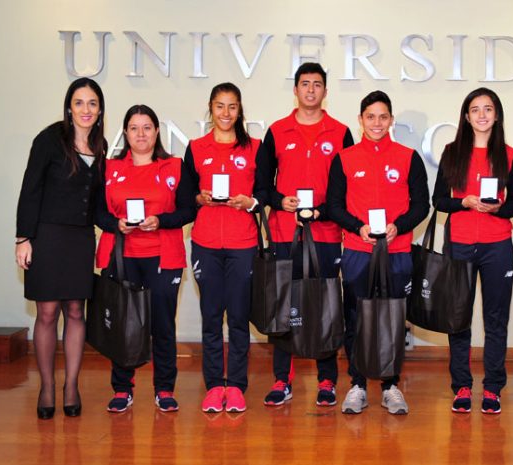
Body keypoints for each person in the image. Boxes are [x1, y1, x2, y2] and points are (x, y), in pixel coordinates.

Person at [254, 62, 354, 407]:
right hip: (285, 233)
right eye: (304, 84)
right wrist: (281, 201)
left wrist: (322, 211)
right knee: (284, 307)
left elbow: (347, 192)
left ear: (326, 92)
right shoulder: (277, 131)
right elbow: (261, 187)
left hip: (326, 235)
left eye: (317, 85)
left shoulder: (340, 133)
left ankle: (327, 380)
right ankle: (283, 379)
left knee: (324, 306)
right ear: (295, 90)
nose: (310, 90)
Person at [327, 90, 429, 415]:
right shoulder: (344, 159)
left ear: (391, 120)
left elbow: (421, 205)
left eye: (383, 117)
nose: (377, 123)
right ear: (360, 120)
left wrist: (399, 226)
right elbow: (334, 206)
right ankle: (357, 385)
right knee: (355, 317)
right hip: (358, 251)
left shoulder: (408, 157)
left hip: (397, 251)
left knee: (393, 320)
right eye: (370, 116)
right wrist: (358, 227)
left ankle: (390, 386)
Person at [95, 104, 196, 413]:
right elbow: (97, 212)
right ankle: (122, 388)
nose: (141, 134)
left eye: (147, 127)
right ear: (125, 133)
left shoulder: (175, 167)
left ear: (156, 132)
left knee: (163, 325)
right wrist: (116, 225)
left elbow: (188, 211)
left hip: (163, 256)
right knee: (124, 323)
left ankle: (164, 388)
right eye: (134, 128)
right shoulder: (109, 168)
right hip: (123, 257)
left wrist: (160, 220)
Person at [16, 77, 106, 420]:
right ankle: (47, 387)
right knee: (48, 313)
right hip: (47, 237)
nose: (86, 109)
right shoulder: (49, 139)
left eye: (93, 103)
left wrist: (120, 224)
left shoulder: (100, 145)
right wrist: (23, 239)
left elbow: (96, 205)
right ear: (69, 106)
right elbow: (30, 189)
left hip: (81, 239)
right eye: (80, 102)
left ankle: (71, 385)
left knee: (75, 312)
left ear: (100, 110)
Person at [432, 88, 513, 414]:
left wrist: (498, 208)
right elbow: (439, 201)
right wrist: (464, 202)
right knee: (459, 319)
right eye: (475, 109)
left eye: (488, 109)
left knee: (496, 319)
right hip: (459, 243)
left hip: (497, 245)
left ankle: (493, 387)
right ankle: (461, 386)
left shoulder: (509, 154)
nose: (482, 114)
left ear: (496, 115)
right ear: (466, 116)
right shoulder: (452, 151)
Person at [184, 83, 261, 413]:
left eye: (232, 107)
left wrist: (251, 202)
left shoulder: (255, 148)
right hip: (206, 244)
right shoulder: (196, 147)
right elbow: (185, 196)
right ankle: (215, 385)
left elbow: (267, 194)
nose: (226, 113)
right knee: (212, 317)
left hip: (243, 244)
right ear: (210, 108)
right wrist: (198, 198)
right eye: (220, 106)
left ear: (240, 110)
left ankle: (238, 385)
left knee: (240, 317)